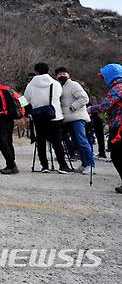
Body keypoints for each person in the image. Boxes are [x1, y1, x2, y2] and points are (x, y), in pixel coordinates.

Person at [23, 62, 71, 174]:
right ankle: (62, 166)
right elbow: (59, 95)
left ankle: (44, 166)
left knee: (41, 141)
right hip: (55, 116)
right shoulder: (55, 83)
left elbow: (25, 100)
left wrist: (28, 110)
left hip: (39, 117)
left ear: (36, 72)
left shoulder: (30, 85)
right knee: (57, 142)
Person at [87, 63, 122, 193]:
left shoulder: (117, 88)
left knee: (117, 155)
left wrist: (91, 109)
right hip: (118, 125)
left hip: (119, 127)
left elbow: (106, 105)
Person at [55, 67, 94, 174]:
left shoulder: (74, 85)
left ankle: (91, 165)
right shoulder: (59, 87)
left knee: (82, 141)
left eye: (64, 73)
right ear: (56, 76)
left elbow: (84, 98)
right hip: (67, 119)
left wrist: (73, 107)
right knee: (76, 143)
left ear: (68, 75)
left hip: (77, 117)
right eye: (59, 74)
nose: (62, 75)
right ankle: (84, 164)